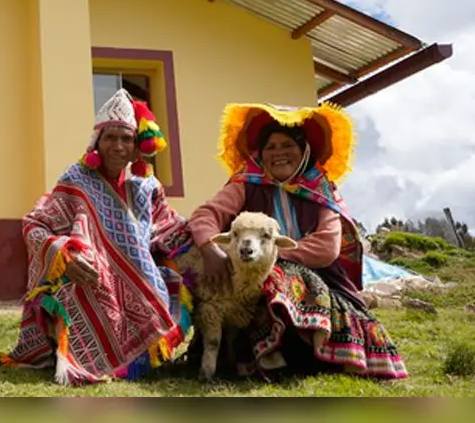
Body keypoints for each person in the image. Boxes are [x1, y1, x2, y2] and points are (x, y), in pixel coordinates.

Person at [168, 102, 408, 380]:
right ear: (260, 153)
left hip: (321, 279)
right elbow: (205, 216)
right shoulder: (245, 184)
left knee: (287, 278)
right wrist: (211, 250)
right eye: (270, 147)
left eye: (287, 146)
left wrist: (270, 255)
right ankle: (263, 357)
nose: (279, 153)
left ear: (304, 150)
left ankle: (309, 353)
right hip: (250, 276)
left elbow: (326, 247)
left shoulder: (322, 190)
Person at [0, 89, 194, 386]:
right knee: (81, 286)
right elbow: (36, 225)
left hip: (143, 278)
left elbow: (168, 226)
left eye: (126, 139)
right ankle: (90, 359)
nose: (118, 146)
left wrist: (205, 238)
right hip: (90, 278)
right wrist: (63, 258)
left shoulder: (146, 184)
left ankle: (141, 358)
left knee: (176, 284)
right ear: (97, 142)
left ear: (137, 147)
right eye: (110, 138)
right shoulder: (76, 179)